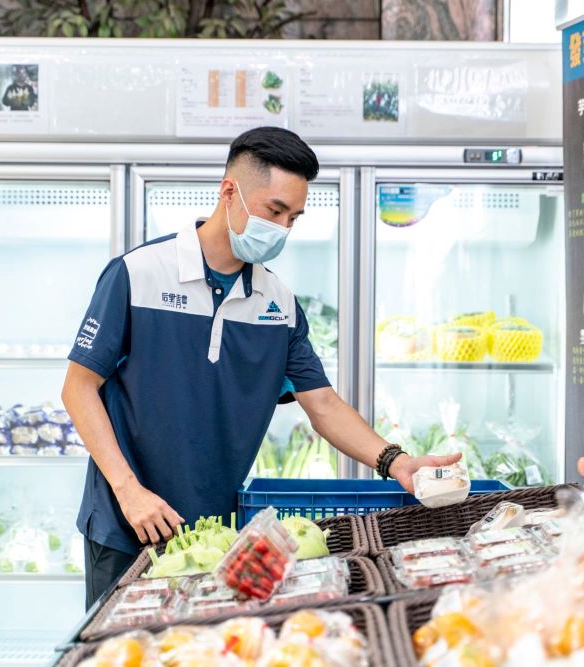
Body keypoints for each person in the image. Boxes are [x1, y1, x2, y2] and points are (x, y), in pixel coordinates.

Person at [62, 126, 460, 608]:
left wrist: (396, 461)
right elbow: (78, 388)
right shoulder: (137, 274)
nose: (283, 228)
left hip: (216, 535)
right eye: (275, 211)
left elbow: (323, 404)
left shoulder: (278, 304)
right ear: (229, 192)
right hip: (126, 524)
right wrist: (128, 491)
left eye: (294, 217)